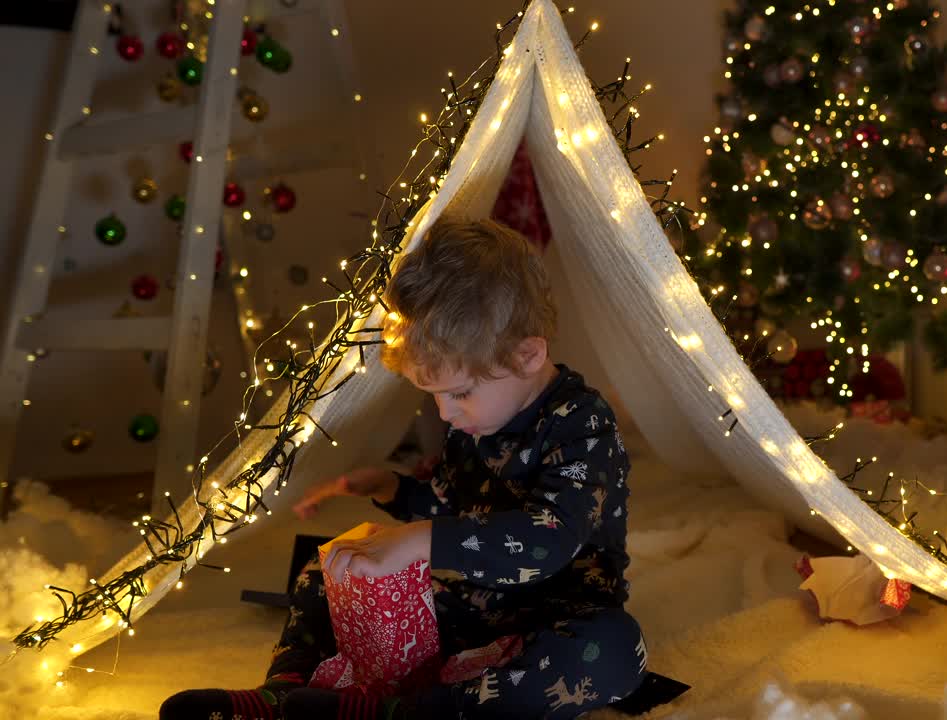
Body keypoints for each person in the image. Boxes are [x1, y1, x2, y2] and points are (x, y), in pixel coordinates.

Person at [160, 216, 646, 719]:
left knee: (613, 648)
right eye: (435, 397)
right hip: (473, 607)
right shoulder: (472, 422)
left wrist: (422, 539)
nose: (447, 413)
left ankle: (415, 712)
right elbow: (452, 502)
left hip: (555, 612)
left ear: (528, 354)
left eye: (458, 393)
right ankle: (284, 694)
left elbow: (550, 539)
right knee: (328, 567)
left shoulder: (583, 422)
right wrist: (395, 490)